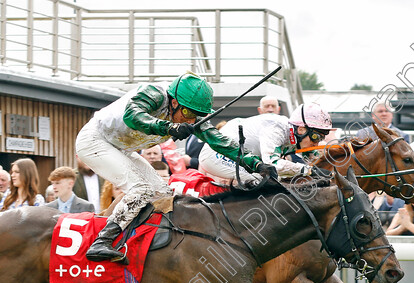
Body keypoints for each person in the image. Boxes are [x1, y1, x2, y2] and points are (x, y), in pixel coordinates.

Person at [75, 71, 271, 262]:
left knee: (164, 194)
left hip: (121, 148)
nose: (190, 120)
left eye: (197, 116)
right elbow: (133, 116)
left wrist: (255, 163)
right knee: (141, 189)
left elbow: (219, 141)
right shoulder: (153, 93)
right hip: (94, 141)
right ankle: (102, 241)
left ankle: (138, 242)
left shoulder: (189, 112)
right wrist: (169, 127)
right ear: (175, 102)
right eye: (187, 113)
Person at [197, 107, 322, 187]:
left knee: (277, 179)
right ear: (301, 129)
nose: (316, 144)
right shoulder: (277, 129)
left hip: (237, 155)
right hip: (215, 154)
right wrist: (308, 171)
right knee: (265, 181)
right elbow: (272, 164)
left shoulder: (291, 133)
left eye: (321, 139)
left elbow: (314, 161)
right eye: (316, 137)